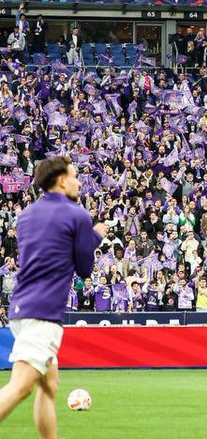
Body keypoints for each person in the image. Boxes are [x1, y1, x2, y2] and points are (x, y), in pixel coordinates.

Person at [0, 156, 106, 437]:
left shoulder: (27, 215)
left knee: (50, 386)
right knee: (21, 386)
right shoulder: (78, 215)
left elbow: (49, 250)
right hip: (44, 311)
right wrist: (95, 236)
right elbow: (84, 269)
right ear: (61, 180)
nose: (78, 181)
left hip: (21, 306)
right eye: (74, 175)